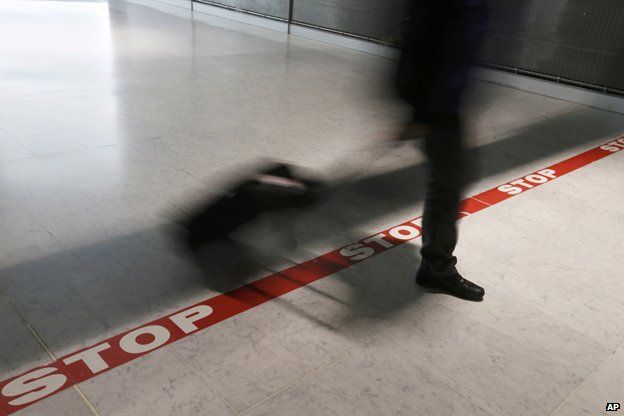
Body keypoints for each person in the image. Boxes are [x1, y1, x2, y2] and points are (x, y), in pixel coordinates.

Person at [396, 0, 488, 301]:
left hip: (445, 98)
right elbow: (424, 37)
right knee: (448, 184)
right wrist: (424, 109)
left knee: (451, 180)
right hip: (439, 102)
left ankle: (436, 262)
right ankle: (437, 267)